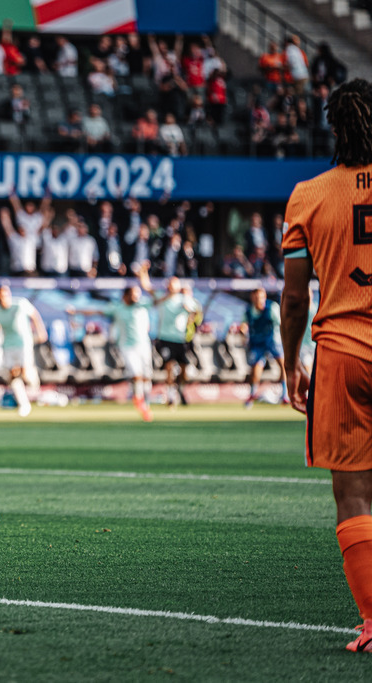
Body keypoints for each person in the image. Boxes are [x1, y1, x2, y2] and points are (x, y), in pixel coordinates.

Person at [280, 78, 372, 653]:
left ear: (333, 129)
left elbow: (293, 299)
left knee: (355, 496)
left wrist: (290, 363)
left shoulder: (309, 195)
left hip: (342, 352)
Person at [67, 269, 154, 422]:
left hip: (144, 345)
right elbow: (97, 311)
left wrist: (144, 277)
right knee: (136, 373)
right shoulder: (117, 308)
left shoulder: (143, 306)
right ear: (125, 295)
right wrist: (76, 311)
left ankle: (145, 402)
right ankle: (139, 399)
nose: (136, 297)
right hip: (127, 346)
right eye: (133, 294)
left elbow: (157, 299)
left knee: (146, 376)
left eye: (138, 294)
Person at [0, 285, 48, 417]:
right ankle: (24, 404)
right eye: (1, 296)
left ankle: (34, 380)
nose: (4, 298)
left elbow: (34, 315)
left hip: (24, 343)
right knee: (13, 375)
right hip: (7, 345)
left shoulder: (20, 304)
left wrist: (41, 331)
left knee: (26, 373)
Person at [147, 276, 201, 407]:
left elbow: (195, 310)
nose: (171, 287)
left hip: (180, 339)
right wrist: (143, 273)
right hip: (165, 338)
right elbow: (148, 287)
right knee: (169, 365)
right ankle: (170, 394)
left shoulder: (184, 299)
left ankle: (180, 390)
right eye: (170, 285)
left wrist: (190, 316)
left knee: (183, 368)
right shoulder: (162, 298)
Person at [241, 288, 287, 408]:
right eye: (256, 297)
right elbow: (244, 324)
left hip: (272, 341)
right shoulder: (248, 311)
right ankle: (252, 395)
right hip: (257, 342)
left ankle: (285, 395)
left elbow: (281, 324)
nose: (259, 299)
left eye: (261, 297)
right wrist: (242, 330)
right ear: (252, 297)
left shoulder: (272, 308)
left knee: (283, 366)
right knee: (255, 371)